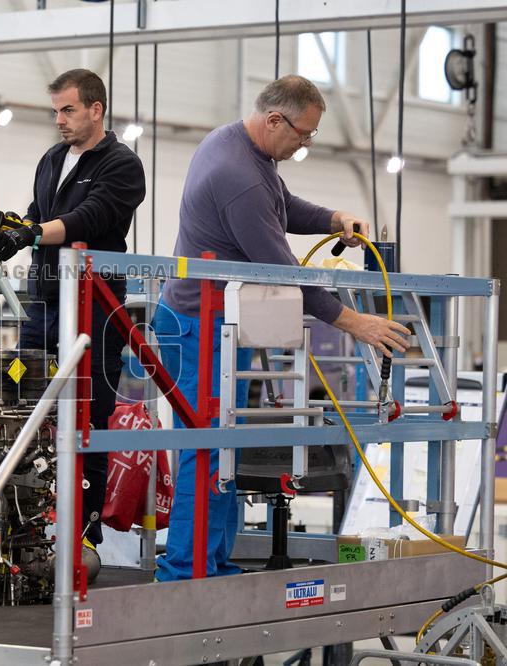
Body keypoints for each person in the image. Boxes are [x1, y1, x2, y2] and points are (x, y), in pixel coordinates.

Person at [153, 75, 411, 582]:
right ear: (274, 119)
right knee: (204, 451)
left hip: (225, 324)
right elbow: (284, 272)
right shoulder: (239, 175)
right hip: (197, 325)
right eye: (302, 134)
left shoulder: (241, 147)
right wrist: (354, 322)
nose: (304, 144)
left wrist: (333, 217)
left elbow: (283, 206)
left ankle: (212, 563)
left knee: (222, 450)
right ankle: (184, 573)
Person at [0, 69, 146, 578]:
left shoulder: (124, 166)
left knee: (89, 414)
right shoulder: (52, 159)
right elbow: (43, 214)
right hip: (43, 302)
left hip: (95, 308)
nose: (59, 120)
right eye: (55, 110)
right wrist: (12, 225)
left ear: (96, 109)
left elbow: (89, 219)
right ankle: (25, 522)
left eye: (69, 110)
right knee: (21, 395)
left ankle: (85, 532)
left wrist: (33, 232)